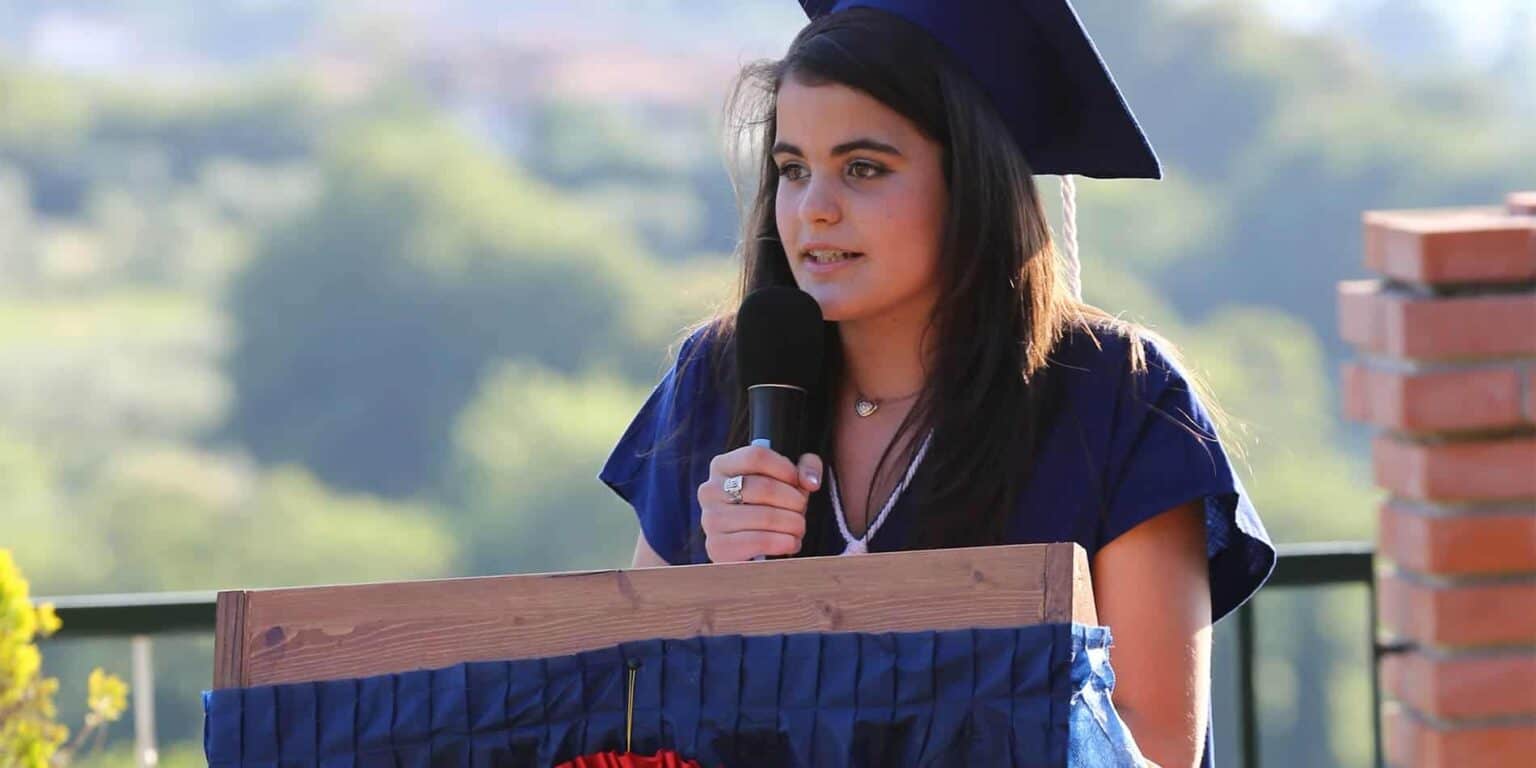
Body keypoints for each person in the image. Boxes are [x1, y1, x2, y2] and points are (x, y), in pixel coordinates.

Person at [599, 2, 1275, 766]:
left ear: (973, 181)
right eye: (793, 170)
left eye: (863, 169)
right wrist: (716, 591)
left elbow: (1156, 750)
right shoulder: (715, 382)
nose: (813, 210)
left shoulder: (1117, 398)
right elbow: (631, 720)